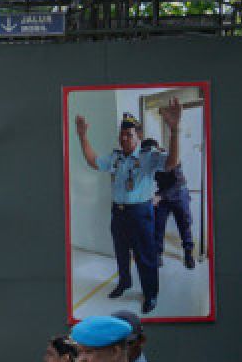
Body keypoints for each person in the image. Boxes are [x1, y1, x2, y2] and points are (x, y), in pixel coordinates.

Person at [74, 102, 183, 314]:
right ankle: (124, 282)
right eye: (122, 134)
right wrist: (82, 136)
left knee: (145, 256)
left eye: (129, 134)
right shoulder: (115, 157)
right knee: (121, 252)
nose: (124, 138)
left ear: (138, 137)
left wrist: (175, 130)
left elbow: (171, 162)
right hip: (119, 213)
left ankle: (150, 293)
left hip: (140, 214)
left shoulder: (148, 157)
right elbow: (94, 161)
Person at [143, 137, 195, 270]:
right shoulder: (149, 162)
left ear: (157, 149)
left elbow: (177, 183)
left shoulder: (171, 157)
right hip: (163, 197)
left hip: (179, 194)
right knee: (158, 226)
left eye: (151, 153)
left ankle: (188, 254)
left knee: (185, 225)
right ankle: (158, 254)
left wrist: (160, 196)